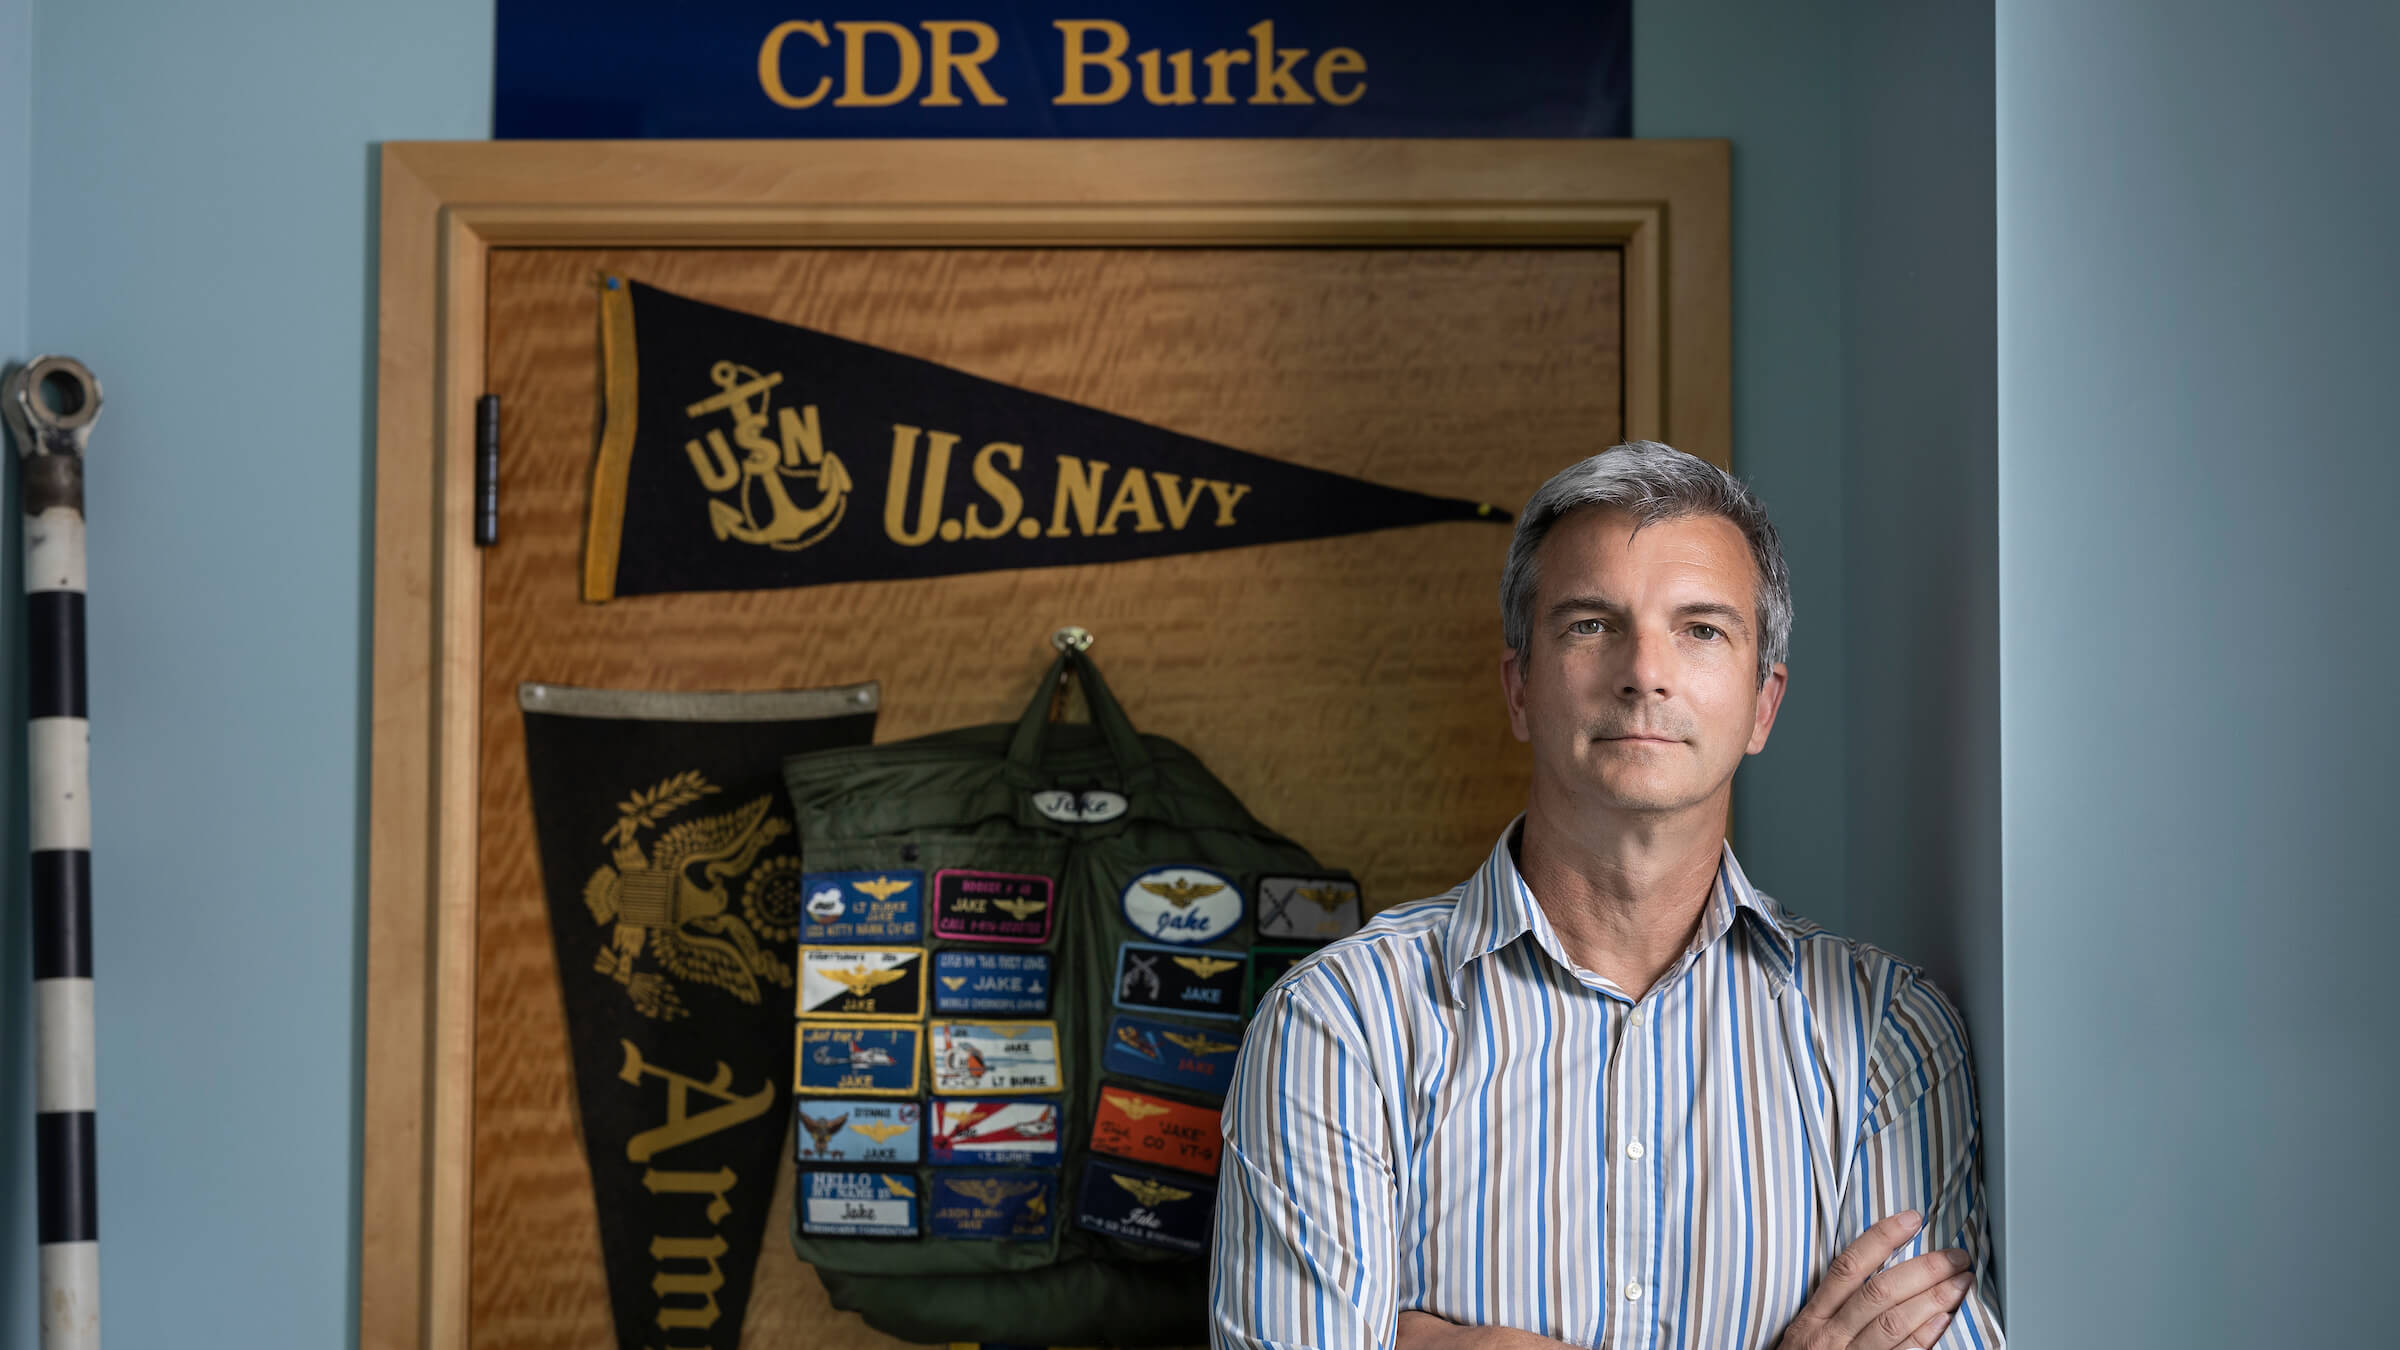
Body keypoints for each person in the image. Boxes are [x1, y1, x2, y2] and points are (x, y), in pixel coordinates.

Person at [1210, 442, 2003, 1350]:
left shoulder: (1889, 1043)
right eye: (1591, 624)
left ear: (1762, 706)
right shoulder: (1339, 1027)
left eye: (1702, 630)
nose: (1645, 673)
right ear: (1519, 688)